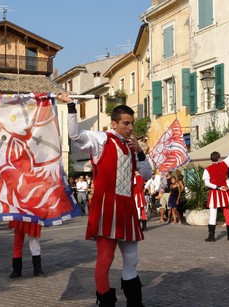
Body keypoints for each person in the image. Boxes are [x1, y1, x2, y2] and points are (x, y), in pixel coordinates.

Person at [57, 92, 152, 307]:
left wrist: (141, 153)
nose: (130, 127)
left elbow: (146, 175)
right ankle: (105, 301)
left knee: (131, 258)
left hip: (127, 208)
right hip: (107, 208)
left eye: (132, 123)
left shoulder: (131, 146)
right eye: (126, 123)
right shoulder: (101, 139)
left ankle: (134, 303)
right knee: (106, 259)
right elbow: (75, 135)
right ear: (114, 123)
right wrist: (72, 106)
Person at [203, 137, 229, 242]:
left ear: (211, 159)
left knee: (213, 213)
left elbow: (206, 183)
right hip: (224, 191)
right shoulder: (224, 164)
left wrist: (217, 187)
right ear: (219, 158)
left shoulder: (207, 169)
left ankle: (211, 236)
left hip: (215, 192)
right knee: (226, 211)